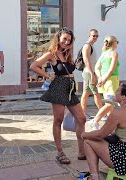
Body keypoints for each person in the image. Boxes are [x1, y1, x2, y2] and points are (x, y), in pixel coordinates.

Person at [30, 27, 86, 164]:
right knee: (58, 120)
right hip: (59, 87)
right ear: (58, 39)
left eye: (69, 40)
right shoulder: (52, 54)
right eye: (64, 39)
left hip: (70, 88)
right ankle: (60, 152)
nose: (66, 42)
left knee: (81, 118)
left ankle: (82, 151)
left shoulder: (68, 53)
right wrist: (47, 75)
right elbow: (34, 66)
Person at [82, 82, 126, 180]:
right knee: (100, 140)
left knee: (88, 141)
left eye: (117, 91)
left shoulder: (118, 113)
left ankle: (94, 177)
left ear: (123, 97)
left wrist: (84, 134)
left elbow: (100, 134)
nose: (115, 92)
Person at [89, 36, 120, 130]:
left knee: (110, 106)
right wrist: (105, 79)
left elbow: (97, 68)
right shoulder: (114, 53)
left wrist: (101, 78)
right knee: (110, 104)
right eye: (117, 42)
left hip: (104, 82)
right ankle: (95, 120)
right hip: (111, 81)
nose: (117, 44)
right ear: (113, 43)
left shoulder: (104, 53)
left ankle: (110, 128)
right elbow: (111, 69)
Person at [80, 29, 103, 119]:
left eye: (97, 36)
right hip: (89, 73)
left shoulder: (90, 46)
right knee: (96, 93)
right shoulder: (87, 46)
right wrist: (92, 74)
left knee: (85, 93)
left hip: (89, 72)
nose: (95, 38)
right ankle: (103, 113)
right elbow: (86, 60)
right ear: (89, 35)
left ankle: (82, 113)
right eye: (93, 36)